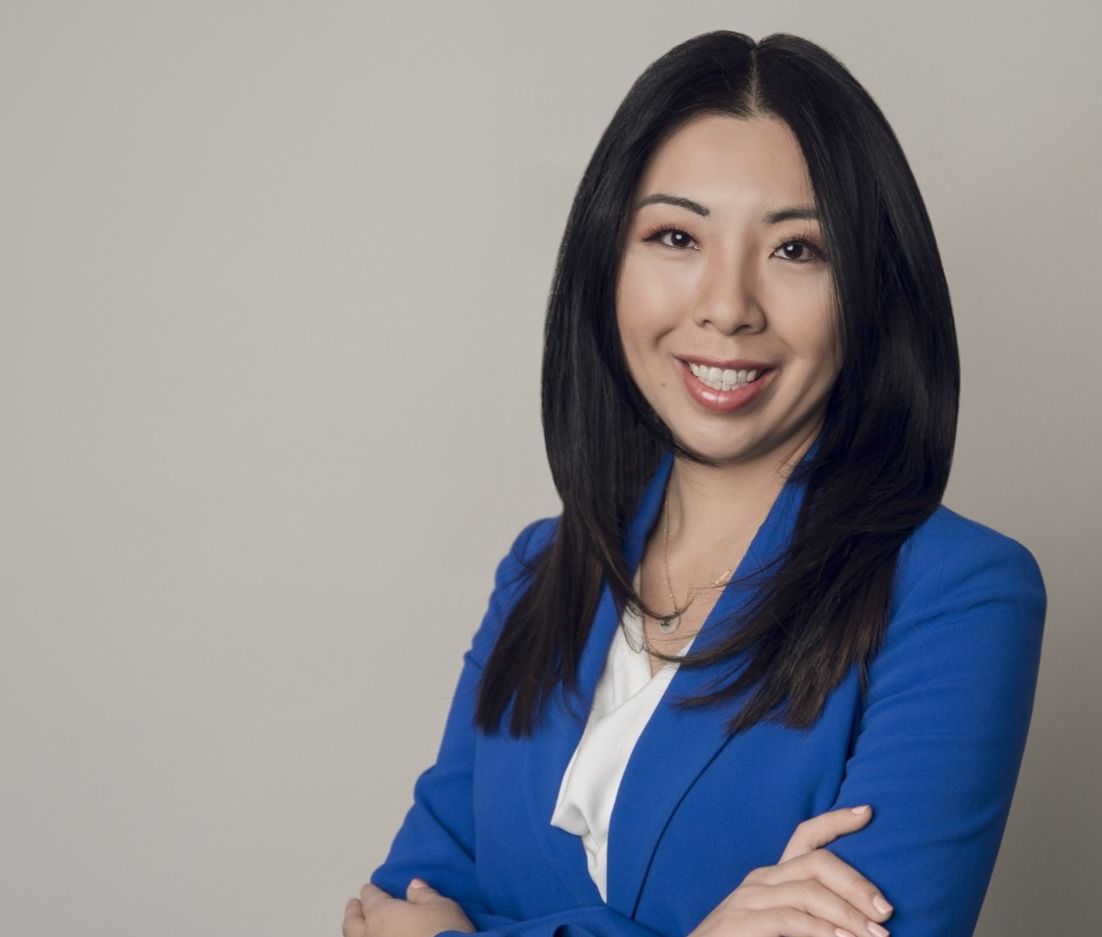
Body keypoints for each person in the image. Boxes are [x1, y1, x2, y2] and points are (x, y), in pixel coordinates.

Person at [342, 30, 1045, 937]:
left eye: (797, 250)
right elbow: (386, 911)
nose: (726, 305)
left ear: (868, 288)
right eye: (676, 236)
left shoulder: (958, 595)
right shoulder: (540, 570)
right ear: (608, 265)